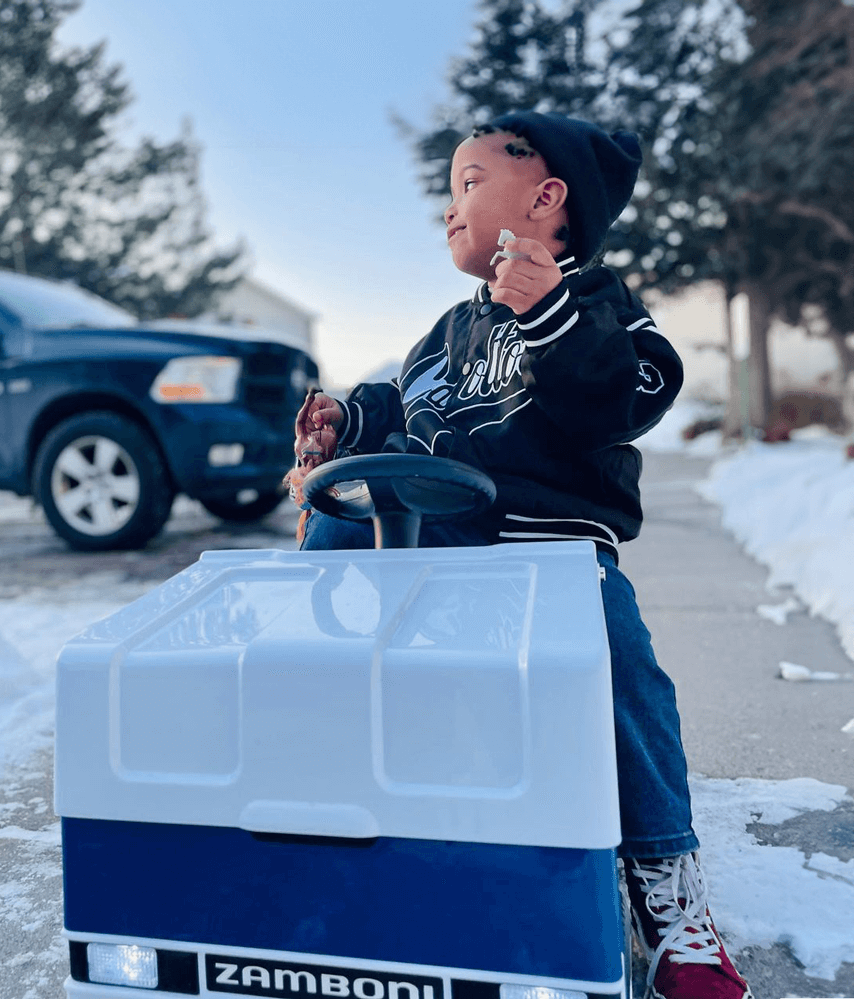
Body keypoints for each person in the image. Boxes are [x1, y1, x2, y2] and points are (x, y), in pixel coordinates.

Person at [288, 110, 751, 999]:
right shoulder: (446, 334)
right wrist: (343, 421)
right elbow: (395, 402)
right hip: (426, 543)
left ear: (546, 199)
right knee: (330, 545)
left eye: (469, 184)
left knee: (618, 657)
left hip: (550, 555)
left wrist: (552, 317)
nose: (450, 210)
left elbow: (623, 396)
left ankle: (665, 883)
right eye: (450, 191)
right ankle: (326, 816)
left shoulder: (602, 308)